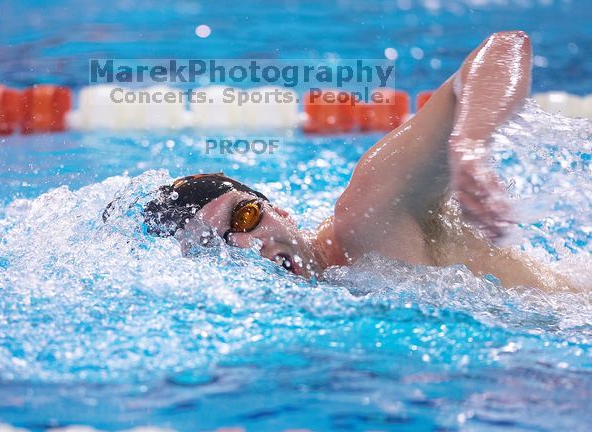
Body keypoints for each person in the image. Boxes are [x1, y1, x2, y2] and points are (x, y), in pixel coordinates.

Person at [105, 31, 575, 292]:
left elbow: (503, 48)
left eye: (245, 217)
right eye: (216, 248)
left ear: (279, 210)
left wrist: (470, 140)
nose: (249, 248)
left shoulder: (369, 214)